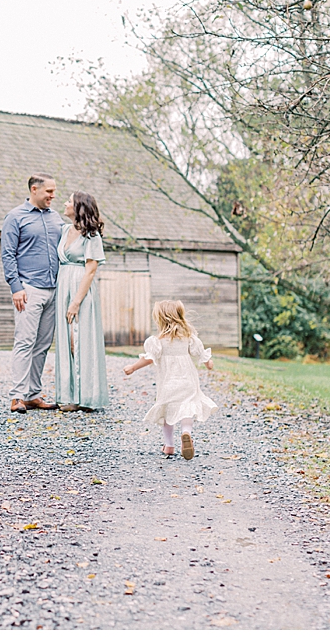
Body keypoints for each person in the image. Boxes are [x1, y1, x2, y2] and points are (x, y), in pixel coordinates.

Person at [1, 173, 65, 413]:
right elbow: (7, 254)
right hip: (29, 289)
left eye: (54, 191)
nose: (53, 195)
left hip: (53, 289)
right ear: (34, 189)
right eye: (49, 191)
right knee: (25, 342)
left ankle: (33, 394)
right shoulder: (15, 217)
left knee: (43, 345)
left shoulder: (56, 218)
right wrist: (15, 287)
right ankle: (17, 396)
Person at [122, 300, 217, 460]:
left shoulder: (157, 341)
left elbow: (149, 358)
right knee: (187, 408)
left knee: (168, 411)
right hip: (188, 381)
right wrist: (208, 363)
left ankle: (169, 446)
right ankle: (186, 432)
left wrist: (133, 367)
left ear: (160, 319)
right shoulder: (188, 338)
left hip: (168, 383)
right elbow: (200, 352)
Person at [55, 191, 109, 412]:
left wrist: (76, 301)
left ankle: (87, 395)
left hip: (81, 289)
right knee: (66, 340)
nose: (65, 204)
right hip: (63, 285)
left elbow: (91, 269)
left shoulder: (91, 236)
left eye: (69, 201)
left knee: (81, 340)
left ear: (78, 207)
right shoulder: (65, 230)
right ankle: (69, 395)